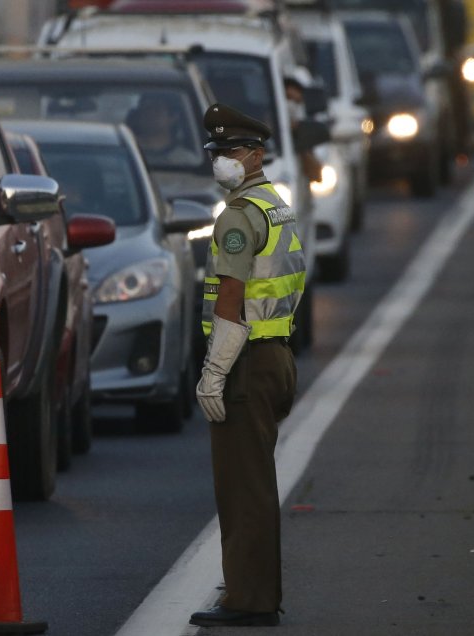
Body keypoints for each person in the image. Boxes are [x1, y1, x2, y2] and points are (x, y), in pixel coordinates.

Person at [189, 103, 306, 628]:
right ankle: (253, 592)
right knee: (254, 481)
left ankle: (249, 599)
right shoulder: (275, 204)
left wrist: (214, 372)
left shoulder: (238, 215)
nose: (222, 161)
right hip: (276, 353)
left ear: (255, 154)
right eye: (217, 152)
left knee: (242, 489)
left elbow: (230, 298)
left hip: (246, 361)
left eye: (232, 152)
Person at [126, 92, 202, 166]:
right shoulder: (125, 155)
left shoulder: (187, 161)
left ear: (173, 117)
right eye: (146, 108)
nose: (149, 113)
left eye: (157, 109)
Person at [283, 75, 324, 184]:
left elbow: (317, 175)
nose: (290, 106)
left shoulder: (302, 138)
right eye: (287, 98)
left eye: (295, 101)